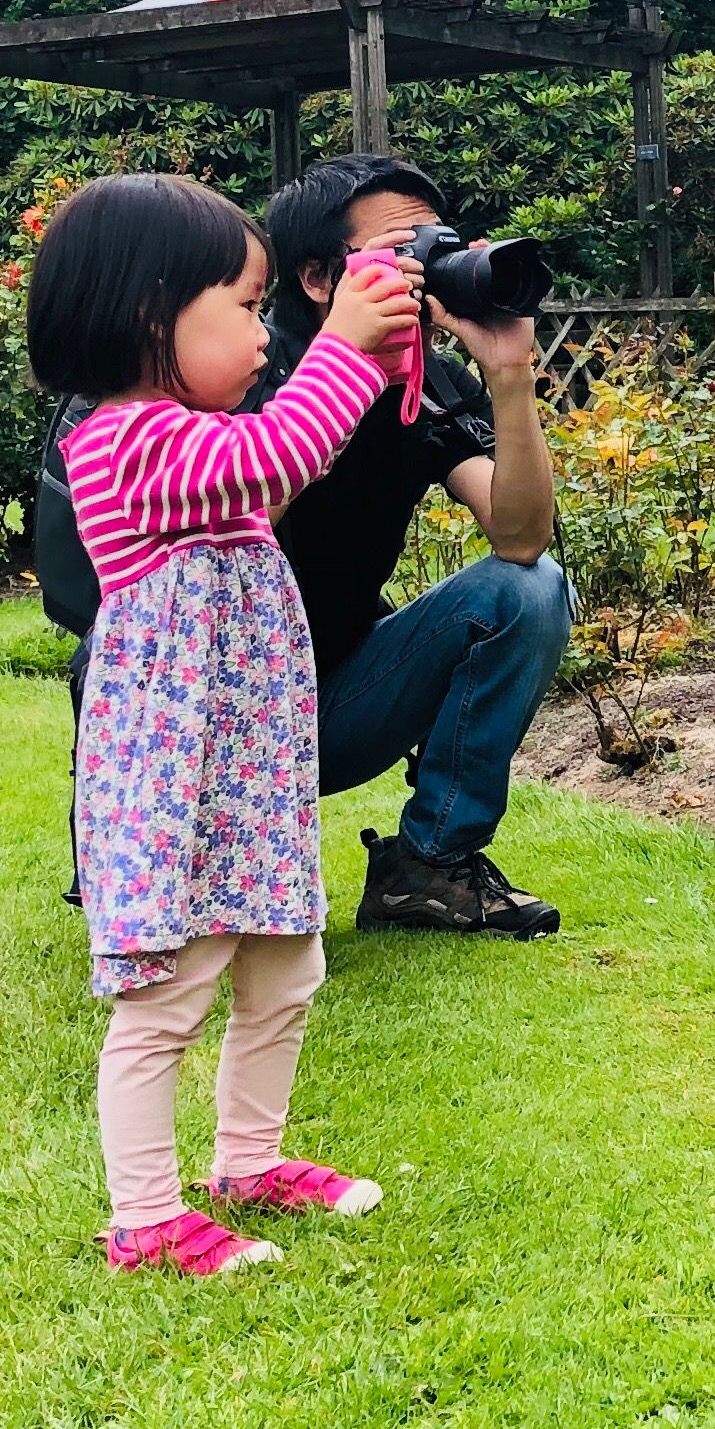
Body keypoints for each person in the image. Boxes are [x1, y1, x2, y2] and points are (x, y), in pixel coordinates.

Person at [28, 171, 414, 1279]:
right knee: (169, 998)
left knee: (285, 973)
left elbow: (296, 456)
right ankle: (144, 1220)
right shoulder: (125, 441)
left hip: (243, 775)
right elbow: (278, 454)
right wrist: (340, 342)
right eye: (244, 309)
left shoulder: (192, 435)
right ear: (152, 316)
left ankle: (248, 1164)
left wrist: (377, 360)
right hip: (175, 780)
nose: (263, 335)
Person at [254, 153, 573, 939]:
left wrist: (508, 375)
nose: (428, 271)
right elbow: (228, 519)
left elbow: (522, 537)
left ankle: (429, 866)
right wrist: (345, 370)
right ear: (320, 279)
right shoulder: (248, 369)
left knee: (527, 590)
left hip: (334, 705)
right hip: (207, 715)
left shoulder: (429, 383)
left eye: (439, 244)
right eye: (403, 253)